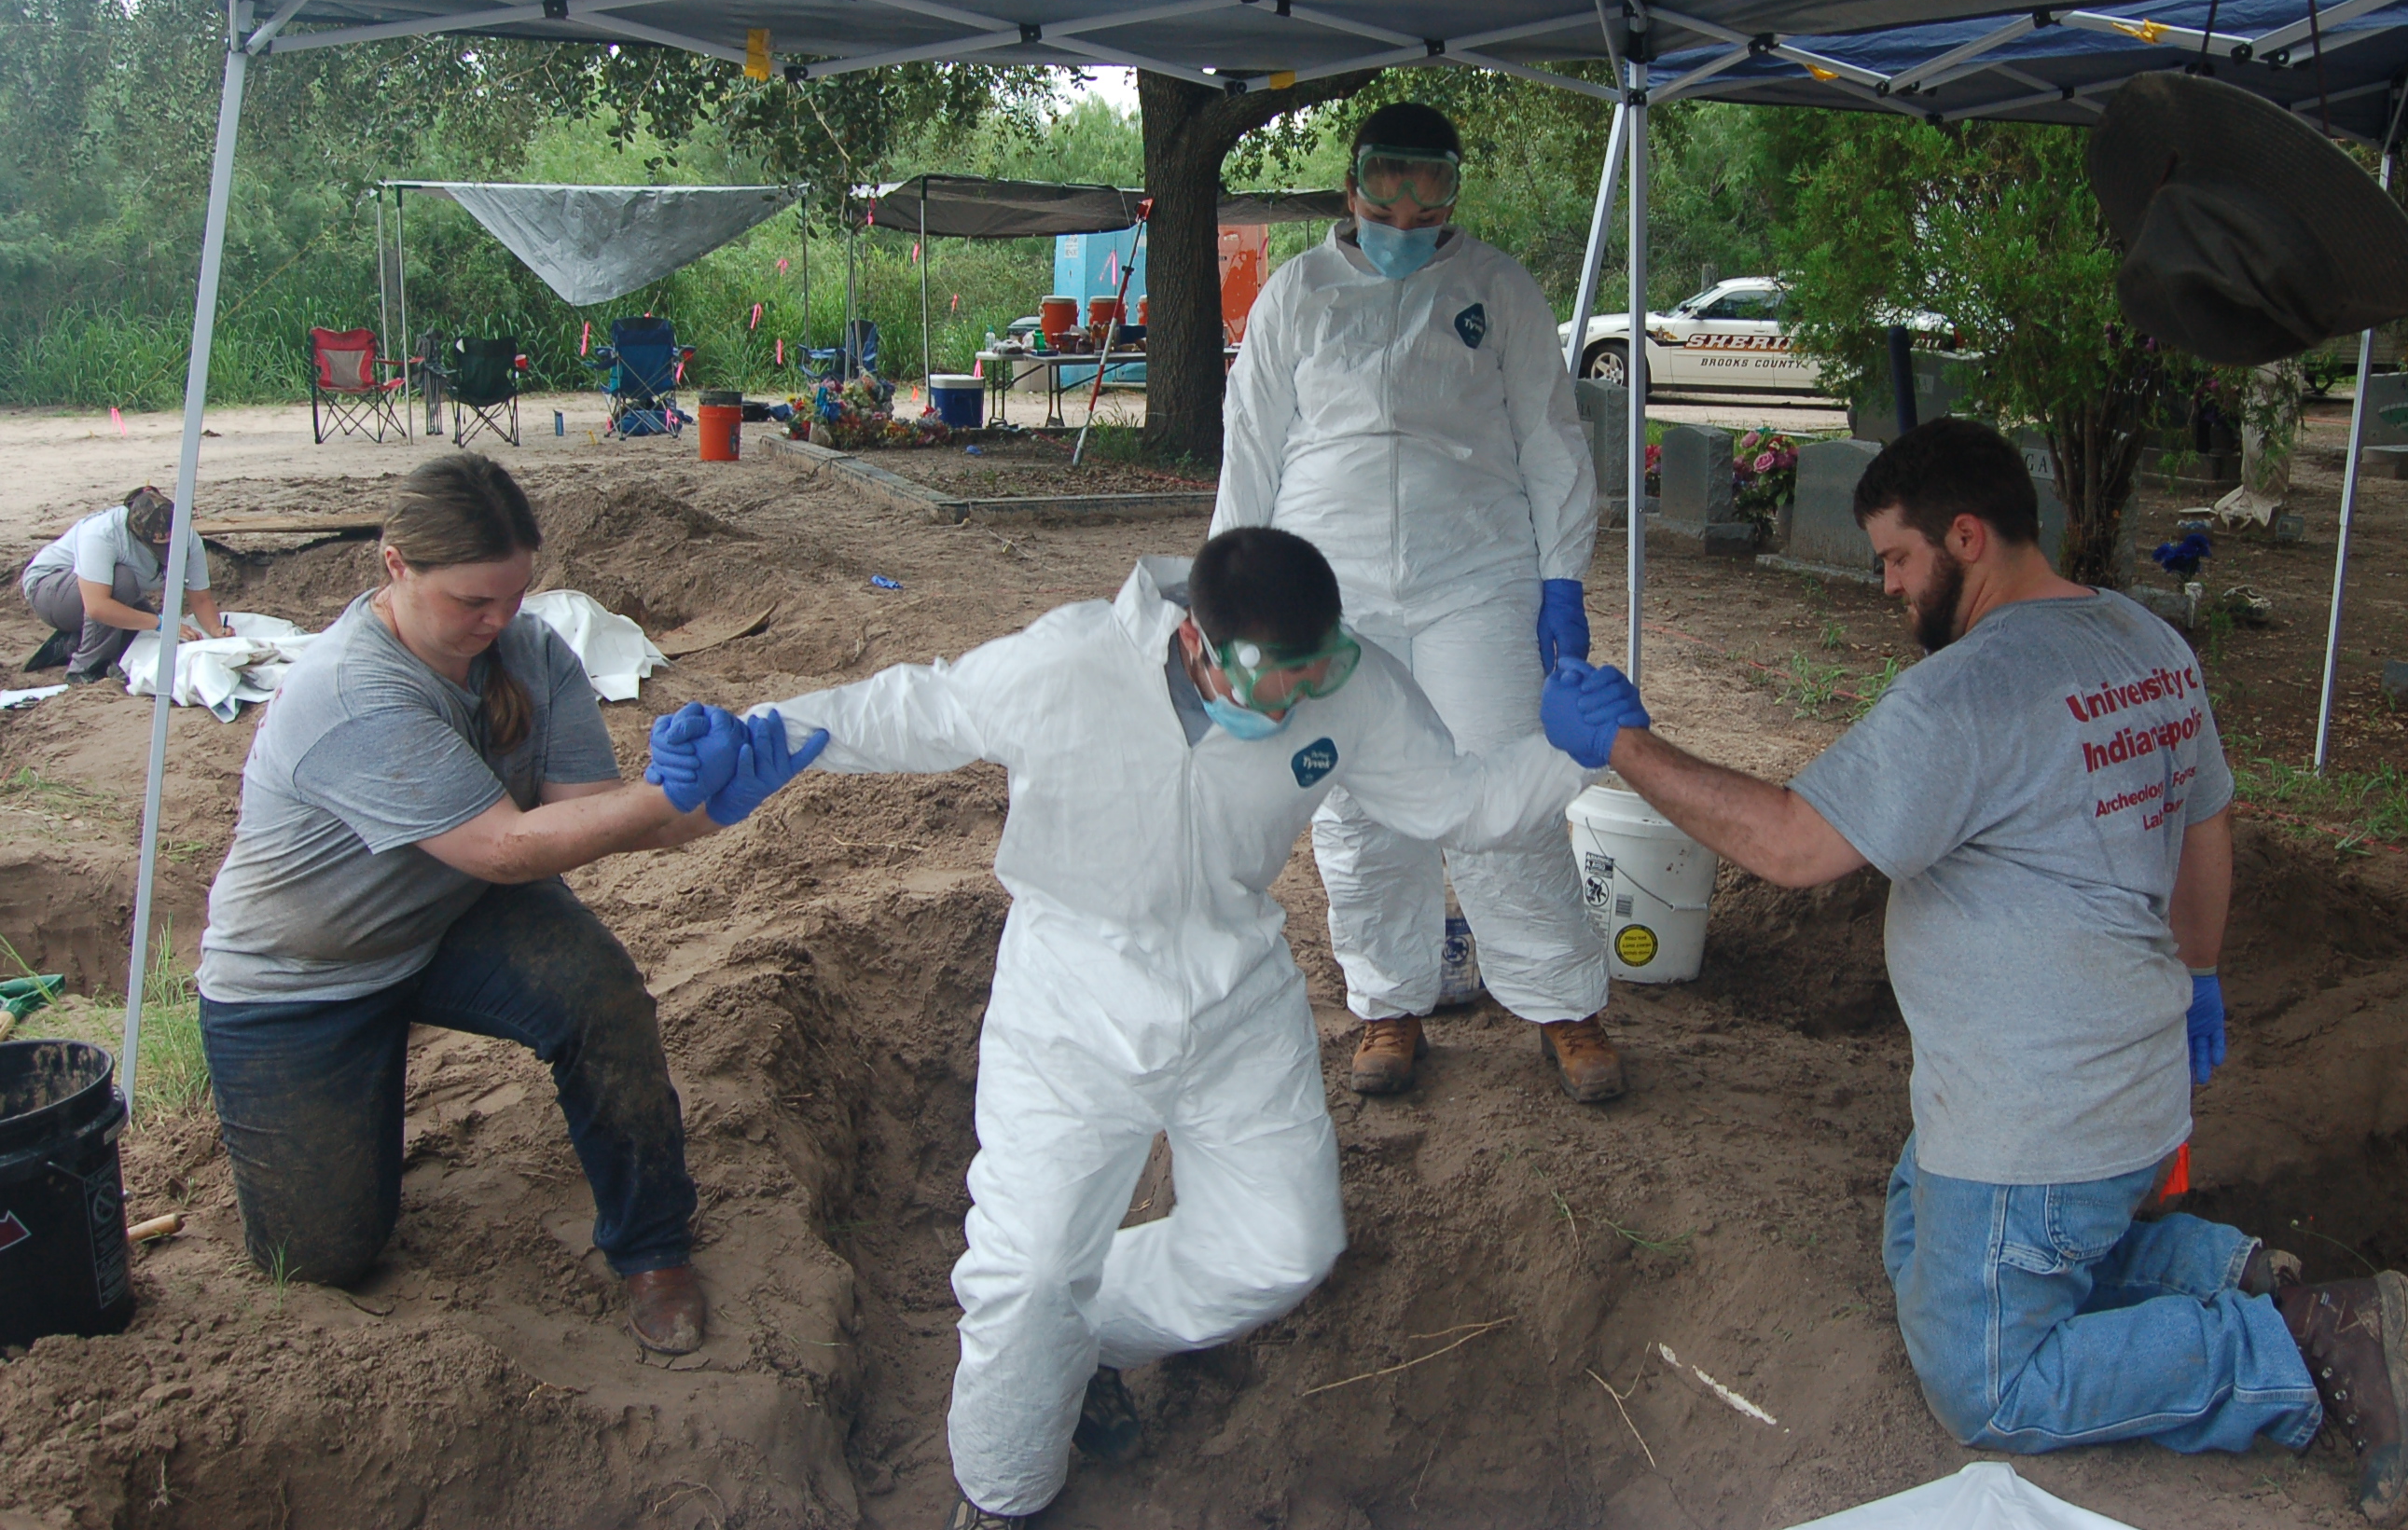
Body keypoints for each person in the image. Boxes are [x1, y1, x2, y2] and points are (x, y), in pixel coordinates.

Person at [1538, 419, 2408, 1525]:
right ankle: (2222, 1268)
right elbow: (2205, 817)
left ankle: (2291, 1344)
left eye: (1895, 559)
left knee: (1986, 1380)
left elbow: (1790, 843)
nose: (1885, 586)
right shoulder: (2143, 641)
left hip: (2042, 1118)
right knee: (1915, 1232)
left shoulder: (1969, 694)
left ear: (1966, 534)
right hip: (2125, 1079)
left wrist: (1619, 745)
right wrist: (2196, 971)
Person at [730, 527, 1595, 1529]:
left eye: (1316, 674)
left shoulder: (1347, 685)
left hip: (1235, 986)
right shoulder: (1069, 664)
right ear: (1195, 642)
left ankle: (1084, 1337)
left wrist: (1575, 751)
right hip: (1070, 992)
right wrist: (760, 734)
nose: (1292, 704)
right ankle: (1004, 1492)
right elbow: (918, 706)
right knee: (1031, 1267)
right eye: (1270, 683)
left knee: (1284, 1243)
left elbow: (1456, 799)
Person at [195, 454, 825, 1356]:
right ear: (395, 566)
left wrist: (714, 797)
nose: (496, 624)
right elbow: (502, 848)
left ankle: (653, 1248)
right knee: (325, 1256)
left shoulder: (530, 652)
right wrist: (668, 797)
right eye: (470, 604)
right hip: (302, 977)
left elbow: (580, 816)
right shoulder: (351, 691)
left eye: (514, 597)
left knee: (600, 995)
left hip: (447, 921)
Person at [1211, 100, 1619, 1103]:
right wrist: (1229, 593)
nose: (1403, 211)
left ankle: (1563, 1003)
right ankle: (1388, 1003)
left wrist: (1560, 573)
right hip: (1325, 577)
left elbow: (1549, 433)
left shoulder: (1496, 286)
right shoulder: (1296, 294)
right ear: (1348, 185)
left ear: (1452, 193)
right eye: (1383, 185)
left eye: (1427, 188)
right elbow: (1250, 449)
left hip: (1473, 571)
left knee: (1500, 781)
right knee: (1354, 792)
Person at [21, 487, 226, 681]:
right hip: (50, 590)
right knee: (123, 582)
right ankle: (86, 668)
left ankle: (71, 643)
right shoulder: (103, 533)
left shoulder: (187, 536)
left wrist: (216, 629)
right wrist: (163, 624)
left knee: (144, 633)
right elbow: (97, 607)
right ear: (137, 535)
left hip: (106, 593)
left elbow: (201, 598)